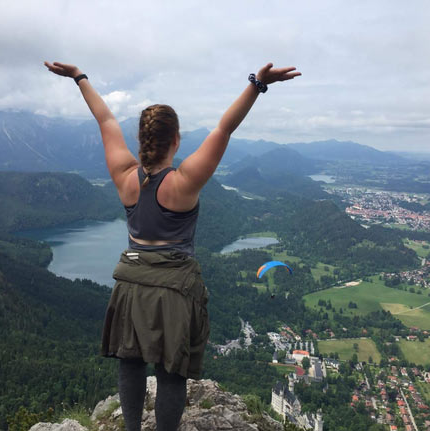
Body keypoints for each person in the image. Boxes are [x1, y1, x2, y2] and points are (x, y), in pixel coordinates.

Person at [44, 60, 300, 431]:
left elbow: (106, 122)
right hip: (174, 290)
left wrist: (79, 78)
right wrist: (257, 84)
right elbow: (224, 129)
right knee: (170, 372)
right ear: (176, 140)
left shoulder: (124, 177)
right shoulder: (183, 183)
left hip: (130, 285)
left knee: (130, 362)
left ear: (141, 142)